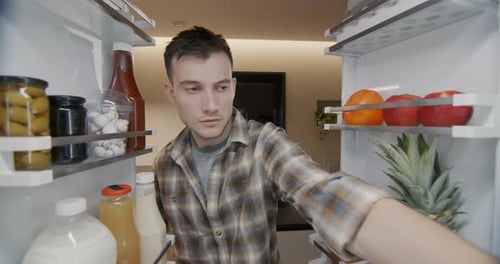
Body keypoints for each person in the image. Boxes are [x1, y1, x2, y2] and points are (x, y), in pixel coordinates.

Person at [153, 26, 498, 263]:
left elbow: (326, 193)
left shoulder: (265, 144)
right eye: (193, 89)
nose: (211, 105)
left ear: (234, 85)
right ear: (172, 93)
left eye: (222, 87)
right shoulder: (165, 164)